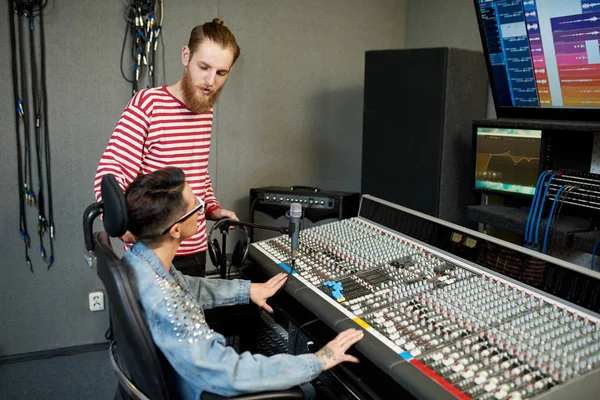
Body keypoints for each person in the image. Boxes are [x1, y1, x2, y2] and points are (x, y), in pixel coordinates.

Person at [122, 166, 365, 399]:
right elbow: (228, 373)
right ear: (175, 230)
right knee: (308, 391)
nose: (201, 208)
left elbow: (187, 286)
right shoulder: (167, 301)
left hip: (177, 377)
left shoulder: (140, 259)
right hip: (197, 390)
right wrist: (317, 361)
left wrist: (246, 289)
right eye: (195, 205)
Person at [94, 18, 241, 277]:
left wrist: (212, 208)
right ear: (186, 56)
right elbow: (110, 172)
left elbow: (196, 172)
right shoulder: (148, 104)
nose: (210, 81)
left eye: (221, 73)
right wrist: (123, 226)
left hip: (194, 248)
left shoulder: (205, 111)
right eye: (203, 67)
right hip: (153, 251)